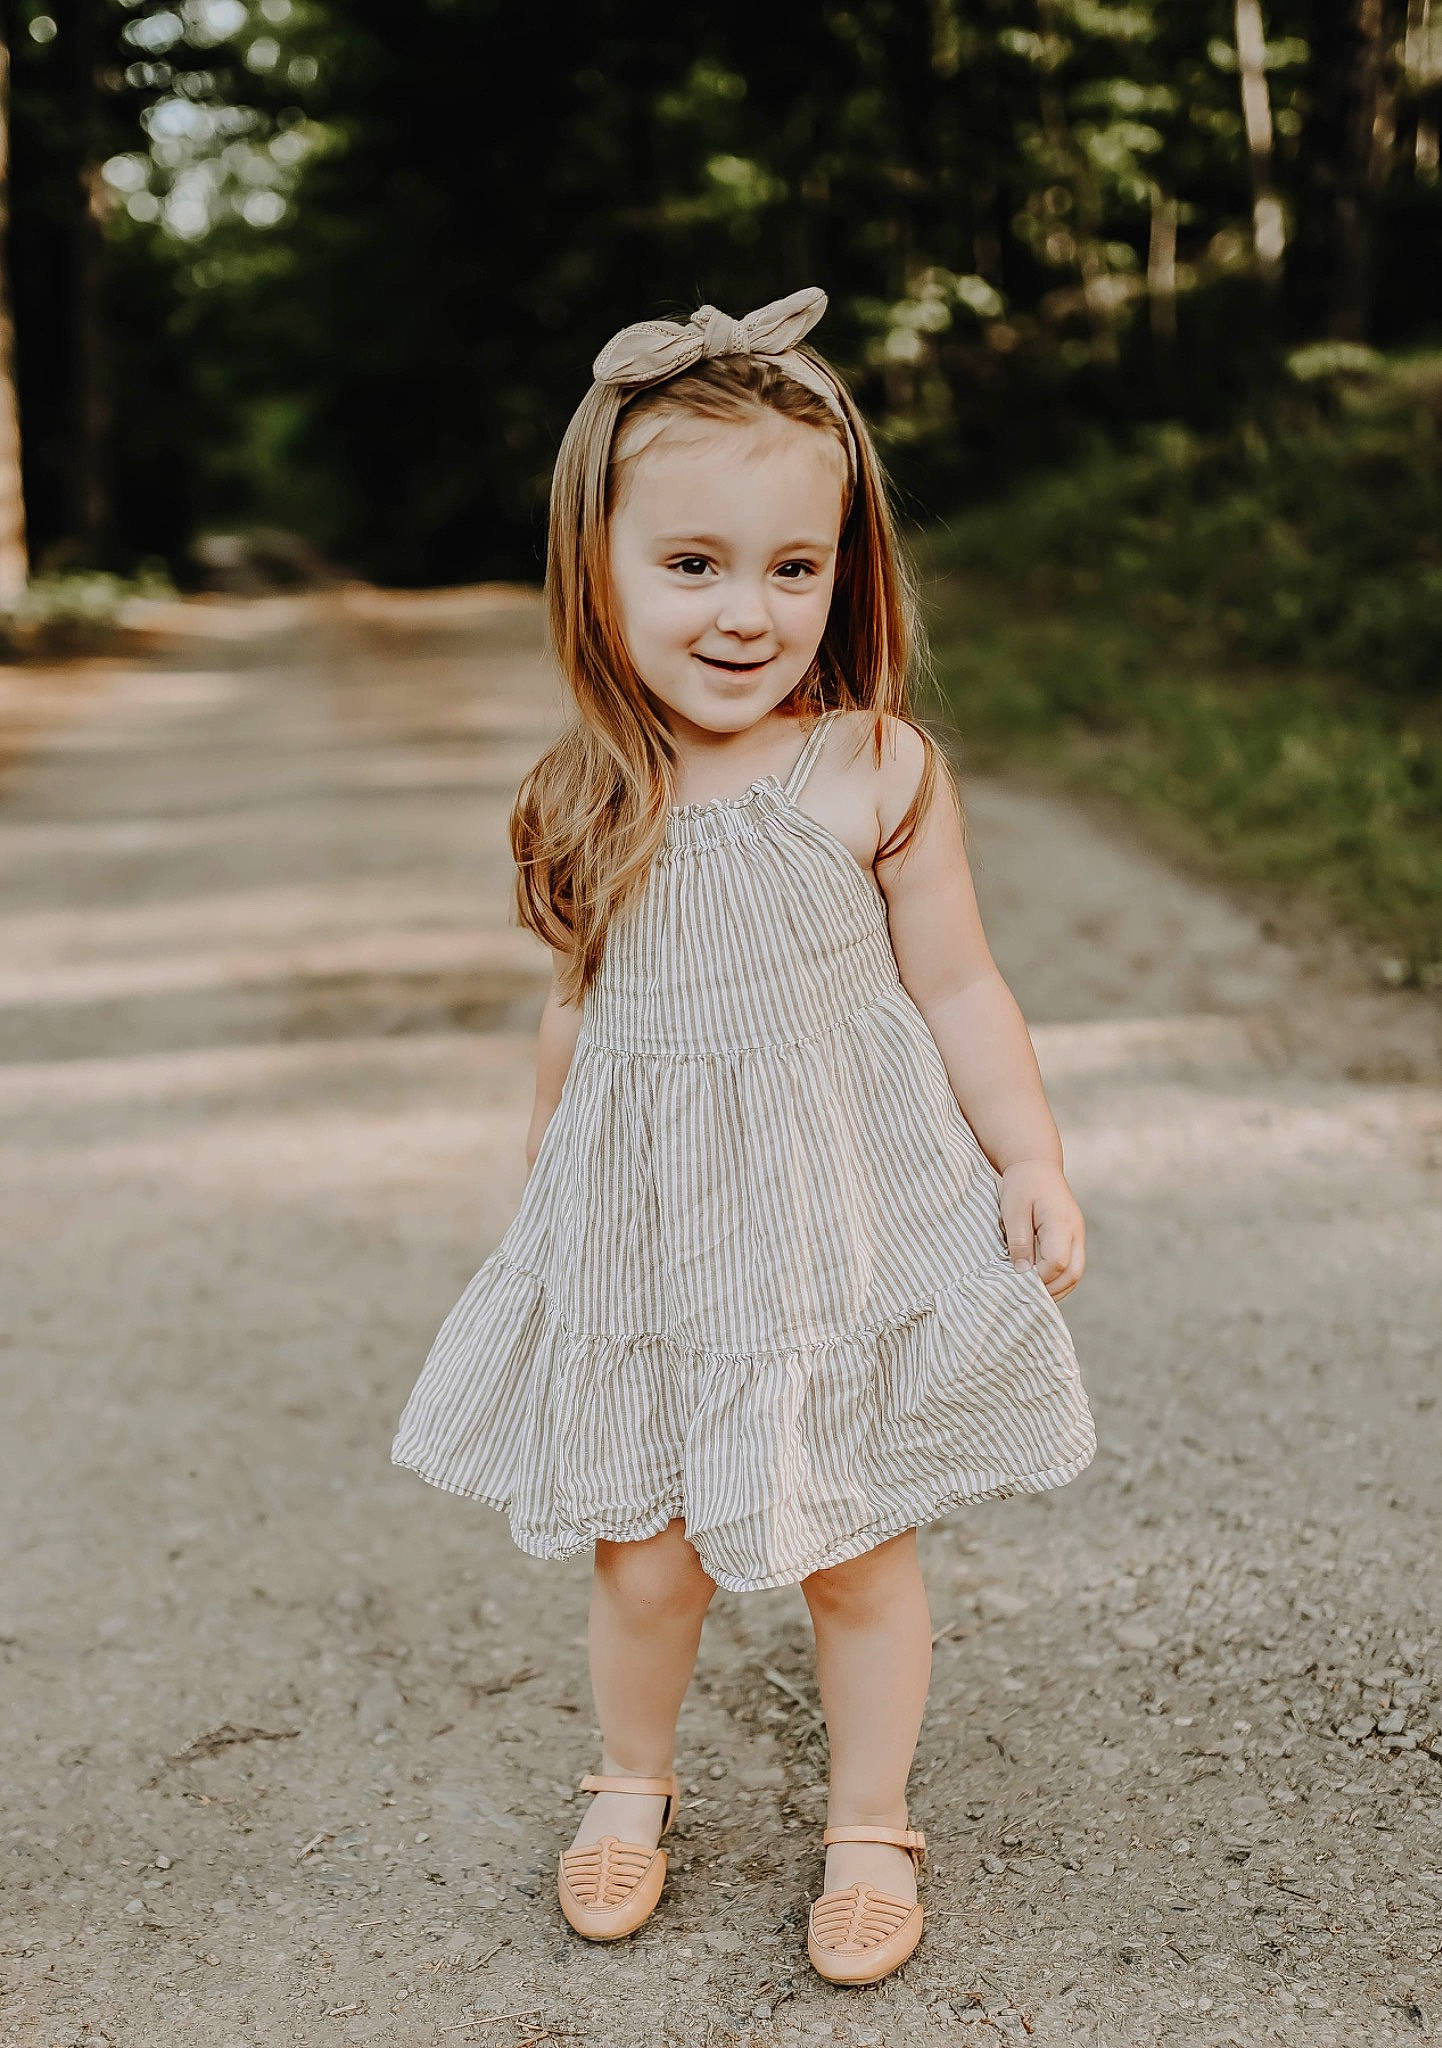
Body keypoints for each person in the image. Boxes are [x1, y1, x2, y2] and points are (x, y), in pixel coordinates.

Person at [390, 286, 1097, 1986]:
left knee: (853, 1546)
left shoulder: (870, 768)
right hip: (646, 1240)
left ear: (847, 570)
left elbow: (960, 989)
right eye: (691, 564)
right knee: (647, 1560)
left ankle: (870, 1820)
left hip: (832, 1234)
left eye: (793, 568)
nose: (745, 612)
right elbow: (574, 1018)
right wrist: (544, 1203)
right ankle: (628, 1781)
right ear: (598, 569)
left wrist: (1028, 1154)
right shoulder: (586, 794)